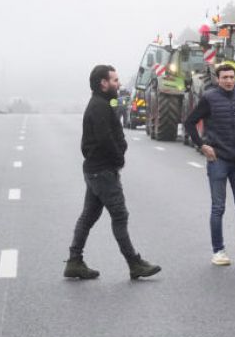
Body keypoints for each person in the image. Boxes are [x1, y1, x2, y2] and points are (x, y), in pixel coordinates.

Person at [65, 65, 162, 280]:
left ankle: (74, 262)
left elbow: (112, 121)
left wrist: (119, 117)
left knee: (89, 216)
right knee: (119, 214)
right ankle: (134, 263)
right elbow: (104, 139)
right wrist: (119, 156)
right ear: (103, 83)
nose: (119, 84)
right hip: (103, 171)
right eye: (115, 80)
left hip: (96, 170)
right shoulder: (98, 107)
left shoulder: (104, 102)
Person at [183, 63, 235, 266]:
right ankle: (218, 251)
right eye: (224, 77)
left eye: (231, 77)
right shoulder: (209, 98)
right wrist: (202, 146)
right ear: (218, 79)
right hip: (218, 160)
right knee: (218, 207)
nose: (228, 81)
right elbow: (190, 122)